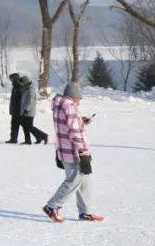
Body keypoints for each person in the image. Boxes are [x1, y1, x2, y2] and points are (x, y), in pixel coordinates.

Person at [43, 83, 103, 223]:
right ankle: (52, 206)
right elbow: (74, 131)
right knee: (75, 180)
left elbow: (66, 124)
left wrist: (81, 120)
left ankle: (85, 212)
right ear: (73, 96)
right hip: (74, 151)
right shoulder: (69, 106)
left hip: (64, 150)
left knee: (84, 181)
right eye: (78, 98)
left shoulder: (60, 105)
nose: (79, 101)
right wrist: (83, 153)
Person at [19, 75, 49, 145]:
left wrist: (26, 109)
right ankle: (36, 138)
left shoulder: (30, 90)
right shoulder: (26, 89)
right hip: (26, 111)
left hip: (29, 112)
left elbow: (29, 101)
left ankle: (43, 136)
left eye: (22, 82)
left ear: (25, 82)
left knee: (28, 126)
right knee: (26, 126)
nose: (21, 84)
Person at [6, 72, 23, 143]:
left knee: (17, 125)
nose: (11, 81)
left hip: (18, 110)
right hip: (15, 109)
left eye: (12, 79)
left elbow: (19, 99)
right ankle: (13, 138)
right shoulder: (15, 87)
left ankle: (13, 139)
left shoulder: (19, 87)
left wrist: (17, 108)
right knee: (14, 124)